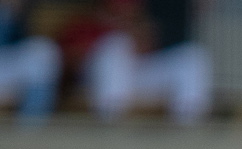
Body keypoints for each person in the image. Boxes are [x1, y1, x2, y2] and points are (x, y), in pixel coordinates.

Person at [82, 0, 213, 123]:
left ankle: (189, 129)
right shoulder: (91, 26)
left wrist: (141, 37)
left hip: (142, 74)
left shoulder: (155, 15)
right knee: (115, 45)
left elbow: (150, 44)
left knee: (193, 55)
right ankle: (110, 124)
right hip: (98, 83)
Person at [0, 0, 60, 121]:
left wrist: (11, 8)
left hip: (6, 63)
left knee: (43, 50)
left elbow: (13, 38)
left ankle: (31, 128)